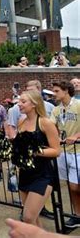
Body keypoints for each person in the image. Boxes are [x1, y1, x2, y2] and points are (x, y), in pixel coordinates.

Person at [12, 90, 60, 227]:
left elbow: (56, 151)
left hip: (43, 175)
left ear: (34, 104)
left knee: (27, 217)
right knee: (32, 221)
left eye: (23, 101)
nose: (19, 104)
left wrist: (34, 151)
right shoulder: (21, 121)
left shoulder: (45, 122)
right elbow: (20, 147)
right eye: (19, 101)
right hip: (25, 174)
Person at [50, 81, 80, 228]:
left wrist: (76, 136)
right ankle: (77, 215)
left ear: (66, 91)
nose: (54, 94)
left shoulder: (78, 105)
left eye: (56, 91)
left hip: (78, 151)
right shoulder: (56, 110)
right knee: (70, 185)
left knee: (75, 186)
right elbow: (50, 126)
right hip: (63, 152)